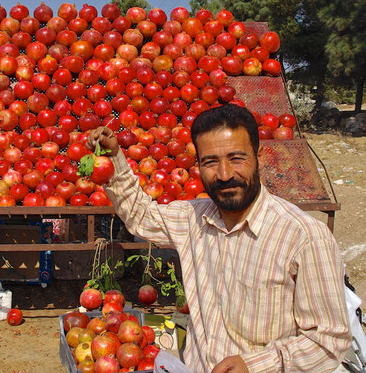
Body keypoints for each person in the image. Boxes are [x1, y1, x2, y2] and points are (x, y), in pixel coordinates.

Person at [87, 104, 351, 373]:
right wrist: (115, 157)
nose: (225, 175)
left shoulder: (304, 237)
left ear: (259, 155)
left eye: (237, 158)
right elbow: (139, 216)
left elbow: (329, 342)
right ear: (198, 163)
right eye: (211, 162)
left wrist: (256, 365)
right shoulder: (194, 219)